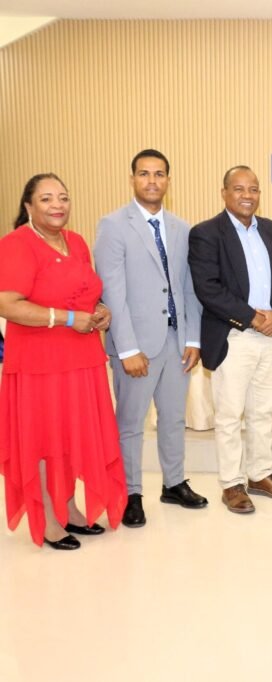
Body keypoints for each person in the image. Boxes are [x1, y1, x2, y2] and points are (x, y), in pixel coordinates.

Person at [0, 173, 125, 549]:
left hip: (82, 358)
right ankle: (49, 521)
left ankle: (69, 508)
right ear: (28, 206)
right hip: (40, 363)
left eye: (63, 198)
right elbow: (7, 304)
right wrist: (68, 319)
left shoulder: (77, 242)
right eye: (46, 199)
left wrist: (100, 309)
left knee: (71, 436)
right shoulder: (16, 244)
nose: (57, 205)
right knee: (43, 438)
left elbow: (85, 292)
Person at [93, 149, 208, 529]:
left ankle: (173, 483)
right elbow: (112, 292)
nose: (152, 181)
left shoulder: (181, 228)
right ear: (132, 179)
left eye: (159, 174)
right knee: (130, 423)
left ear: (168, 181)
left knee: (174, 419)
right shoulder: (113, 225)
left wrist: (193, 339)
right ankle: (130, 493)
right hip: (136, 346)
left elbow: (188, 288)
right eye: (144, 174)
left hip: (176, 342)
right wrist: (127, 348)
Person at [188, 166, 272, 514]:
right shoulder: (206, 233)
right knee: (230, 414)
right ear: (224, 193)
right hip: (232, 335)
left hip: (269, 336)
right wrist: (251, 317)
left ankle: (260, 474)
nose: (247, 195)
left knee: (263, 411)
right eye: (239, 189)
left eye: (253, 189)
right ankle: (232, 483)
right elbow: (207, 288)